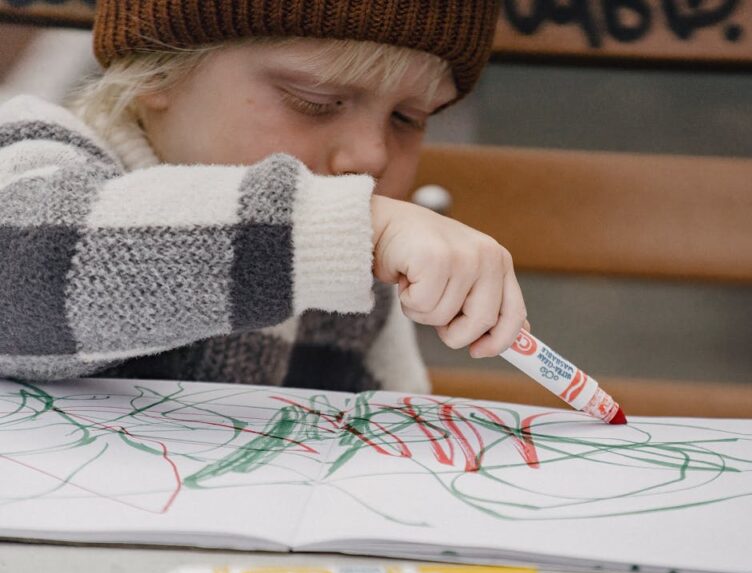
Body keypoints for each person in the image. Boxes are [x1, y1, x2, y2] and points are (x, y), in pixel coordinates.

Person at [0, 0, 526, 394]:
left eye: (408, 119)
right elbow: (24, 278)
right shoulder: (38, 158)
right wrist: (328, 231)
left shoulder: (349, 276)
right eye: (315, 100)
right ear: (159, 66)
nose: (372, 157)